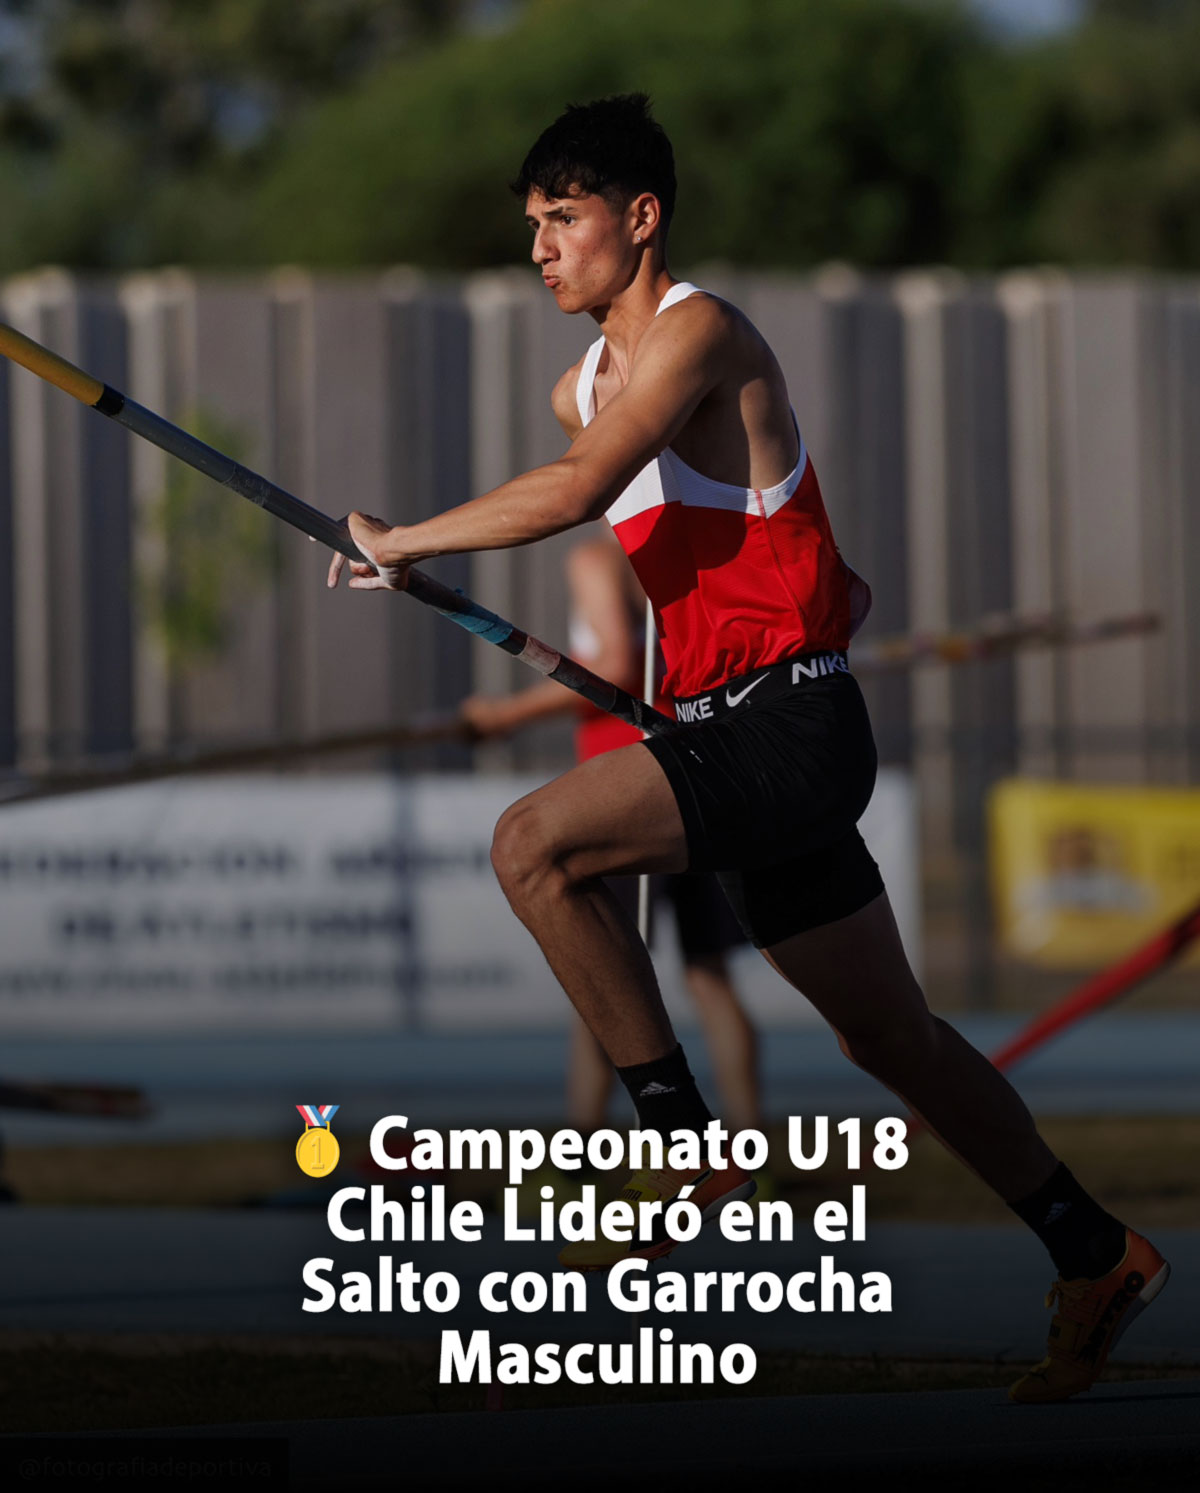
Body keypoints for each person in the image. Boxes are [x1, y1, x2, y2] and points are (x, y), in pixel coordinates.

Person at [327, 94, 1168, 1404]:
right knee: (893, 1041)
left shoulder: (700, 331)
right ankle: (1093, 1248)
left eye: (564, 220)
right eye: (532, 229)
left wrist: (409, 537)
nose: (542, 250)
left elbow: (585, 492)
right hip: (734, 724)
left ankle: (679, 1141)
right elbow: (707, 561)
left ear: (640, 218)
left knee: (531, 846)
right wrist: (438, 580)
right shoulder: (582, 386)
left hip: (791, 731)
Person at [459, 531, 762, 1135]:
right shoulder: (692, 551)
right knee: (709, 978)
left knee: (606, 982)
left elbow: (616, 666)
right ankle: (752, 1147)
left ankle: (581, 1154)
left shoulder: (599, 558)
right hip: (701, 774)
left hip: (626, 794)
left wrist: (504, 716)